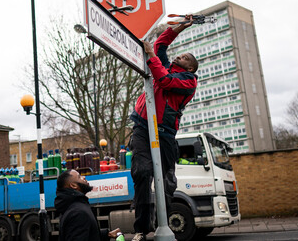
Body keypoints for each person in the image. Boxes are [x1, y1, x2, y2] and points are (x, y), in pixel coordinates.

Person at [128, 15, 198, 241]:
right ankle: (141, 228)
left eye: (185, 57)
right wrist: (178, 28)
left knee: (166, 180)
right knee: (142, 172)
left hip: (165, 133)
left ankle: (163, 223)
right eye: (181, 53)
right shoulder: (165, 65)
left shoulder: (189, 81)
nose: (180, 55)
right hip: (141, 126)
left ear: (191, 67)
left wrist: (150, 57)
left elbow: (165, 80)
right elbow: (160, 45)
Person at [55, 169, 121, 241]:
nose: (84, 177)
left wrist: (107, 234)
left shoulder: (75, 207)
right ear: (73, 185)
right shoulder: (78, 213)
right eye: (79, 177)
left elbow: (86, 234)